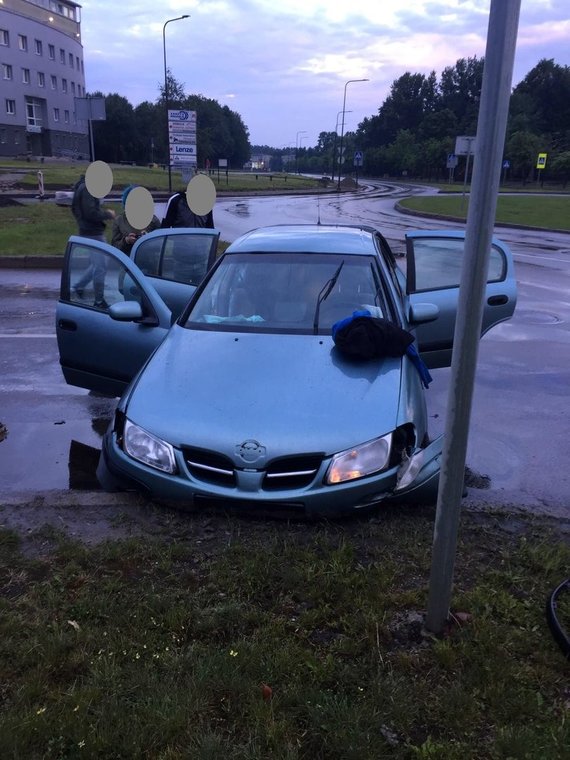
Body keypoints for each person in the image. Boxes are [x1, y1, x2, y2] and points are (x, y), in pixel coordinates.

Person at [71, 174, 116, 309]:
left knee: (100, 263)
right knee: (101, 266)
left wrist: (81, 221)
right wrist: (108, 214)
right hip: (93, 232)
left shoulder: (83, 186)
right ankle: (99, 301)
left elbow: (76, 209)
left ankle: (79, 286)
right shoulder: (87, 188)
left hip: (90, 230)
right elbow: (90, 213)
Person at [111, 185, 160, 255]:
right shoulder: (119, 220)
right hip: (126, 260)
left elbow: (160, 244)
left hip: (148, 259)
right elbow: (114, 247)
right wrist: (126, 241)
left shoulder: (153, 220)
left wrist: (148, 239)